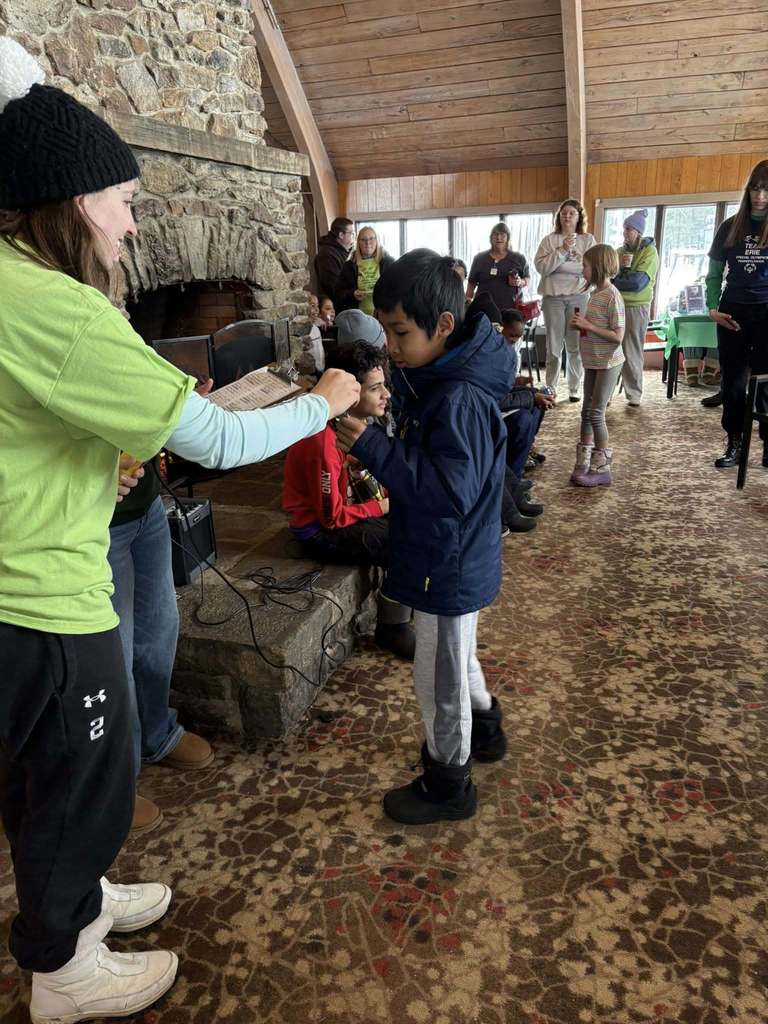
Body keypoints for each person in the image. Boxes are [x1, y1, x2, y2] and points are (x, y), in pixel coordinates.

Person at [0, 36, 360, 1024]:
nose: (133, 215)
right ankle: (64, 972)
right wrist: (326, 398)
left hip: (10, 585)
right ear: (73, 202)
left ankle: (64, 909)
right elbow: (216, 434)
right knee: (86, 777)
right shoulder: (63, 311)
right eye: (121, 197)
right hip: (42, 596)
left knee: (40, 783)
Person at [336, 249, 515, 825]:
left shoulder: (458, 395)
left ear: (442, 326)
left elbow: (446, 492)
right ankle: (483, 731)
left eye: (399, 331)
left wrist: (370, 445)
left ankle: (448, 780)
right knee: (457, 659)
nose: (390, 345)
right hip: (454, 552)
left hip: (450, 554)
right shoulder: (444, 368)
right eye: (386, 329)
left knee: (438, 675)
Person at [282, 343, 415, 660]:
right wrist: (380, 507)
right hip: (318, 531)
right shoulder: (321, 440)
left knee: (418, 518)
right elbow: (332, 519)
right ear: (351, 393)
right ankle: (391, 628)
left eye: (384, 385)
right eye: (375, 388)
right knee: (406, 544)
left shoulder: (346, 423)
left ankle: (411, 600)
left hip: (340, 509)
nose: (386, 395)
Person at [706, 160, 768, 469]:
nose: (760, 195)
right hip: (733, 312)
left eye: (766, 189)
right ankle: (735, 441)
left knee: (766, 381)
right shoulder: (729, 226)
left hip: (766, 311)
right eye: (756, 188)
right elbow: (714, 274)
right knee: (733, 382)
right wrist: (713, 308)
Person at [569, 245, 626, 486]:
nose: (582, 270)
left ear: (598, 268)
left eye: (585, 266)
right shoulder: (594, 294)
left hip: (608, 361)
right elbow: (594, 326)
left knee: (596, 412)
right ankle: (583, 461)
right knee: (586, 411)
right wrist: (582, 326)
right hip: (592, 359)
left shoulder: (613, 295)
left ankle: (602, 467)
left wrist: (588, 326)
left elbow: (618, 336)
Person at [534, 199, 596, 402]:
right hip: (553, 298)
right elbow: (543, 268)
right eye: (563, 213)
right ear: (559, 217)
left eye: (571, 213)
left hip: (579, 297)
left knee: (576, 345)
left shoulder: (587, 240)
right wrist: (561, 251)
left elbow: (592, 269)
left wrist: (560, 267)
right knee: (553, 346)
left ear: (579, 217)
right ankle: (550, 387)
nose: (567, 216)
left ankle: (574, 388)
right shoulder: (549, 240)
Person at [499, 309, 555, 481]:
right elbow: (498, 395)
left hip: (505, 397)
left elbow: (504, 384)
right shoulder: (492, 352)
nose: (515, 340)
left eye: (518, 336)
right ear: (500, 328)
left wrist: (518, 381)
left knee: (542, 395)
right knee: (525, 416)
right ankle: (513, 479)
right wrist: (531, 397)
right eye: (511, 335)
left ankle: (526, 447)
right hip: (495, 406)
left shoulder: (509, 350)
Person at [612, 209, 659, 406]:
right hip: (615, 304)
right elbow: (606, 276)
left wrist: (616, 278)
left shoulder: (649, 252)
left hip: (637, 306)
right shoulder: (619, 252)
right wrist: (621, 271)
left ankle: (634, 393)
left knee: (631, 349)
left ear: (639, 232)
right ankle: (606, 392)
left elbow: (637, 283)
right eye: (624, 229)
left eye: (629, 229)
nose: (625, 233)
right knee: (612, 348)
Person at [466, 221, 529, 312]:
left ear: (508, 237)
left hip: (511, 310)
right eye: (495, 234)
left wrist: (520, 282)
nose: (498, 238)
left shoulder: (519, 258)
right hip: (483, 309)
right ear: (491, 238)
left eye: (502, 234)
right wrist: (466, 304)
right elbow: (471, 283)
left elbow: (527, 280)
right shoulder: (479, 258)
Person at [335, 225, 395, 315]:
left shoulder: (388, 263)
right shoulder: (349, 266)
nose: (368, 242)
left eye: (371, 239)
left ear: (377, 240)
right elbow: (338, 293)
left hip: (384, 315)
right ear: (358, 242)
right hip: (357, 316)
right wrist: (352, 294)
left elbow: (397, 288)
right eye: (363, 239)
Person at [314, 216, 354, 304]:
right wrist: (353, 293)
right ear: (341, 235)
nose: (353, 236)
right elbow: (333, 288)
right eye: (351, 233)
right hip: (336, 306)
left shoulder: (343, 252)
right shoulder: (327, 255)